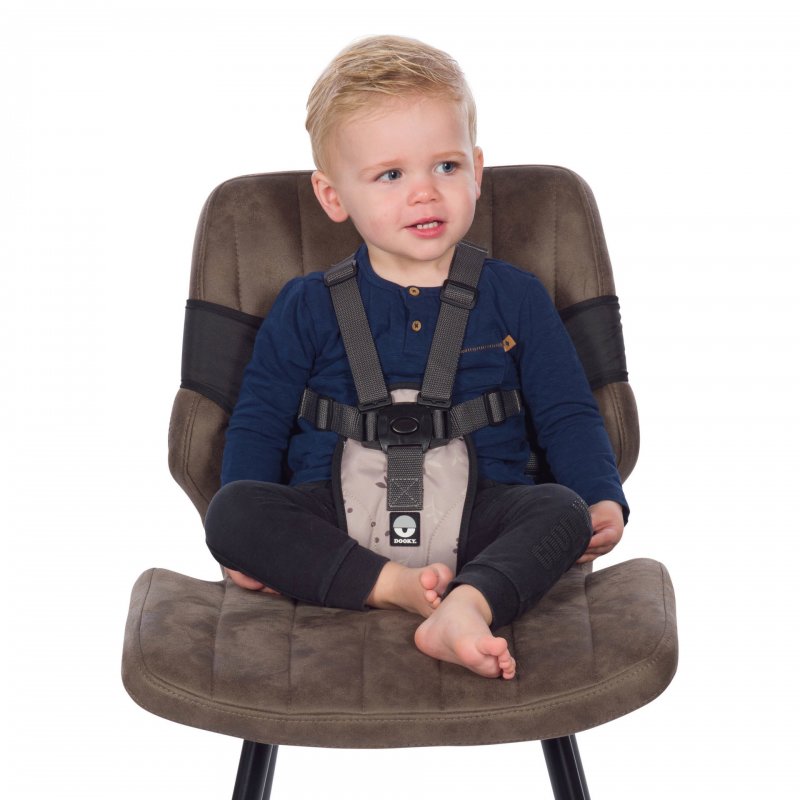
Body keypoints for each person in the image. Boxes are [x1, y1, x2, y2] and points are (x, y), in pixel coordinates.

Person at [204, 35, 628, 681]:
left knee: (562, 512)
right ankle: (392, 586)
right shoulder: (305, 305)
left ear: (477, 169)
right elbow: (259, 422)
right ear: (333, 196)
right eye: (391, 175)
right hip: (333, 519)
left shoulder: (516, 297)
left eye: (447, 167)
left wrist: (601, 496)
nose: (425, 193)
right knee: (232, 513)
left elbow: (566, 411)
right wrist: (247, 542)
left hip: (482, 518)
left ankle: (466, 606)